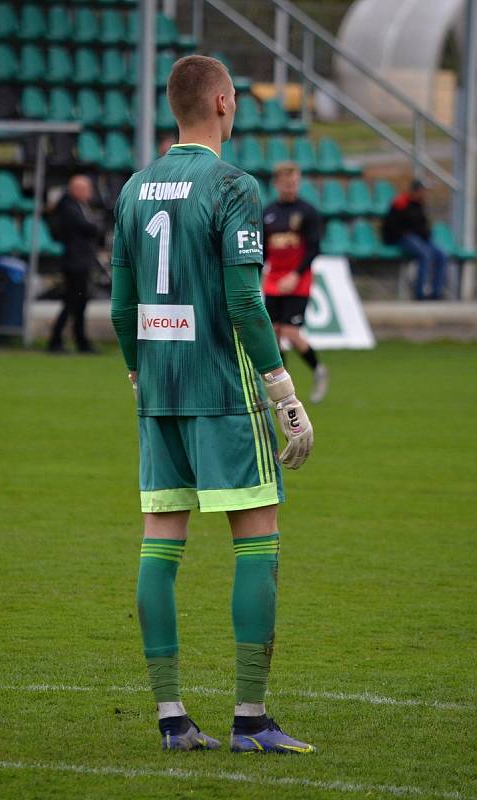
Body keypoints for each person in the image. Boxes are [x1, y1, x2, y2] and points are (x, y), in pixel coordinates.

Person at [110, 55, 315, 754]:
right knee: (256, 542)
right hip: (223, 392)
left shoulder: (134, 188)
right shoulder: (232, 185)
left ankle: (171, 717)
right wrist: (283, 391)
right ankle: (250, 720)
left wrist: (140, 375)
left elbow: (118, 306)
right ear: (224, 101)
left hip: (158, 393)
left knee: (159, 544)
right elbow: (244, 300)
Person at [262, 162, 329, 404]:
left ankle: (318, 369)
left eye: (295, 182)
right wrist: (261, 273)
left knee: (290, 332)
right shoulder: (268, 212)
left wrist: (296, 274)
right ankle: (281, 390)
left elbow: (314, 248)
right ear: (277, 183)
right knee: (274, 333)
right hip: (274, 280)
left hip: (297, 281)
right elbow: (264, 250)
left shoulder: (308, 212)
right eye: (287, 183)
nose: (291, 187)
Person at [48, 175, 100, 353]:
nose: (89, 193)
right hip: (74, 262)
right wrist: (95, 227)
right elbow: (87, 227)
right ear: (75, 189)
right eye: (86, 189)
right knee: (72, 302)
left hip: (81, 260)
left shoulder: (78, 206)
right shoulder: (67, 207)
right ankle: (56, 340)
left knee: (79, 303)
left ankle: (80, 341)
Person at [382, 178, 447, 300]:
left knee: (441, 254)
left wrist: (425, 235)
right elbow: (391, 226)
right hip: (401, 238)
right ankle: (420, 294)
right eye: (422, 190)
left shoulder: (420, 204)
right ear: (416, 190)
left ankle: (436, 294)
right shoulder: (401, 202)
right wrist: (404, 234)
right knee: (425, 254)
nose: (424, 194)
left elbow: (422, 226)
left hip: (419, 238)